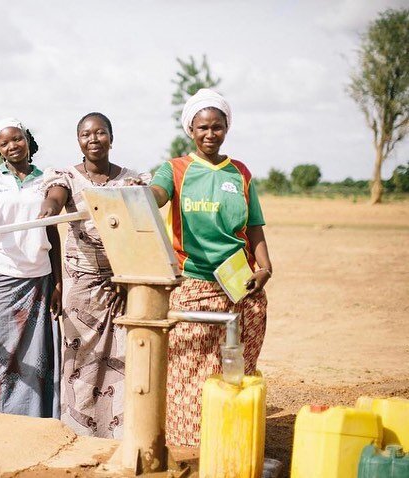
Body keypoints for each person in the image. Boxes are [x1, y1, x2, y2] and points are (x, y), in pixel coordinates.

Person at [148, 89, 272, 447]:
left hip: (242, 286)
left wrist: (265, 268)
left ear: (226, 129)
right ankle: (189, 448)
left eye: (217, 127)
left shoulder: (241, 173)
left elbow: (254, 227)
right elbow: (156, 195)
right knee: (187, 370)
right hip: (194, 285)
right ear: (190, 129)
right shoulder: (174, 170)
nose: (210, 134)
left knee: (235, 371)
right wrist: (145, 192)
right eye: (202, 127)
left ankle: (229, 442)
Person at [39, 112, 149, 439]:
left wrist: (126, 278)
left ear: (111, 138)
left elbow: (142, 228)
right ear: (78, 141)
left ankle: (118, 434)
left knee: (121, 355)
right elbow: (55, 196)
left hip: (122, 285)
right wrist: (49, 208)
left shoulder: (131, 181)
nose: (93, 139)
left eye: (100, 133)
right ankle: (78, 435)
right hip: (81, 284)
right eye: (86, 134)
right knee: (80, 360)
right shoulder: (66, 177)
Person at [0, 118, 62, 419]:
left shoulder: (46, 177)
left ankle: (35, 418)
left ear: (27, 140)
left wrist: (59, 281)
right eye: (5, 143)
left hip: (39, 276)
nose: (13, 146)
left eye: (17, 139)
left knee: (36, 355)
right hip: (2, 274)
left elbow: (52, 231)